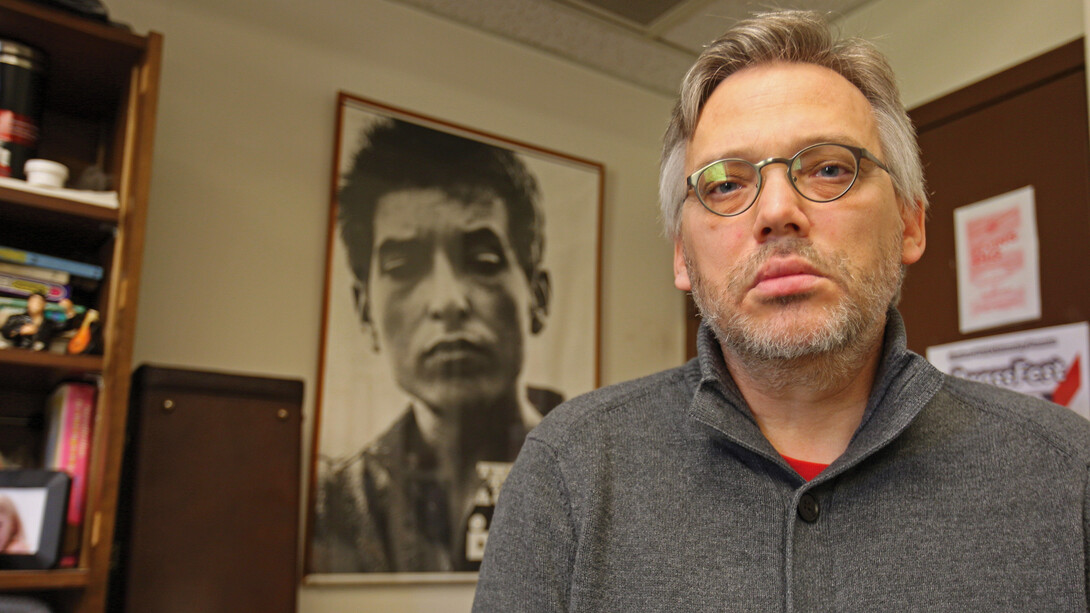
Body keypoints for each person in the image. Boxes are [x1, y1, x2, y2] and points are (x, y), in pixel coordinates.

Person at [474, 10, 1090, 611]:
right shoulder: (571, 471)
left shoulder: (1068, 473)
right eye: (725, 183)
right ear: (683, 256)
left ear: (909, 222)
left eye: (828, 169)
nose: (776, 210)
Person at [311, 119, 561, 573]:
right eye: (404, 266)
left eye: (483, 262)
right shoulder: (335, 504)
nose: (448, 302)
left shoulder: (597, 476)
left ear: (537, 298)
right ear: (366, 311)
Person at [0, 292, 77, 351]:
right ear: (28, 303)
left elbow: (66, 326)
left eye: (39, 301)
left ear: (44, 304)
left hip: (40, 357)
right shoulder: (16, 318)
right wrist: (20, 330)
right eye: (33, 301)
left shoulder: (49, 324)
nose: (36, 304)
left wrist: (69, 310)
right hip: (18, 355)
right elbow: (6, 332)